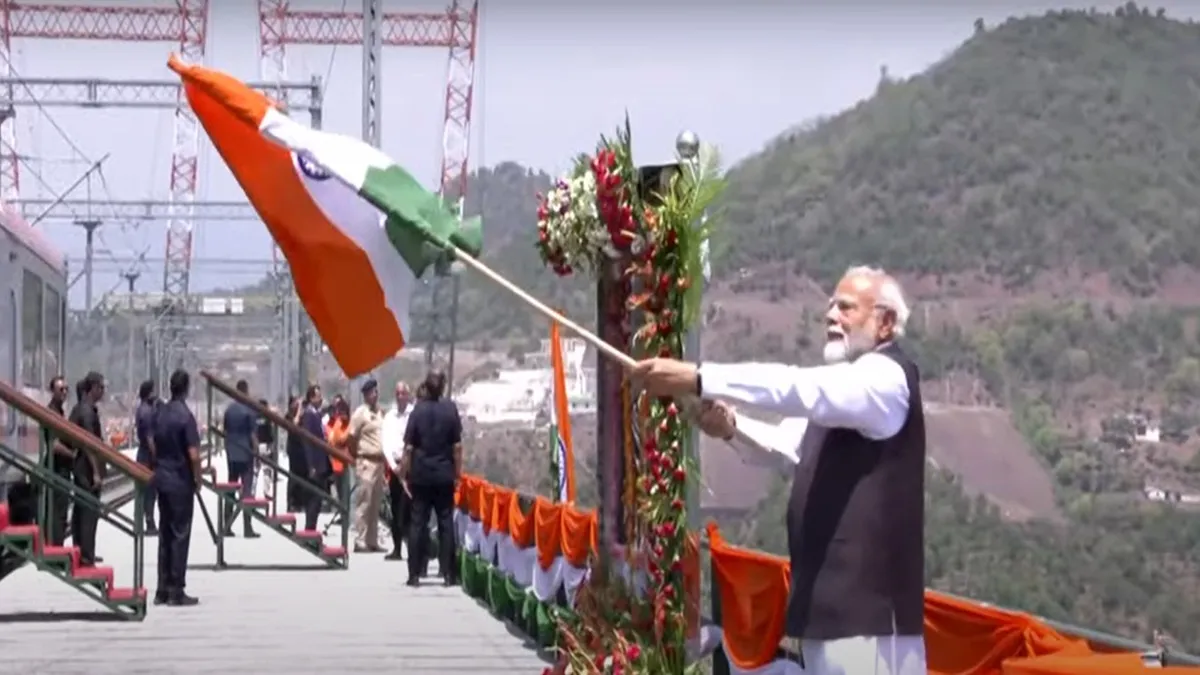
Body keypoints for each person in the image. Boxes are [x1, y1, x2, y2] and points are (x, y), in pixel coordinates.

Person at [631, 265, 927, 675]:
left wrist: (699, 377)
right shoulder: (843, 393)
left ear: (885, 322)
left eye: (845, 307)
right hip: (830, 618)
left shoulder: (884, 378)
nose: (830, 317)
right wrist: (731, 428)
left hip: (870, 627)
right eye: (829, 308)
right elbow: (785, 448)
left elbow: (798, 388)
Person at [401, 370, 462, 586]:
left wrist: (403, 475)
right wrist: (458, 474)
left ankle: (414, 574)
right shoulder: (450, 409)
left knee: (418, 524)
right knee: (446, 524)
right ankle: (448, 574)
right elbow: (456, 447)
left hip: (421, 475)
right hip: (444, 474)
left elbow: (408, 448)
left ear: (426, 387)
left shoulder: (418, 411)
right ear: (443, 387)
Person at [151, 369, 202, 607]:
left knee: (165, 534)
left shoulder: (160, 413)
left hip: (162, 479)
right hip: (180, 482)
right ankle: (176, 590)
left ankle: (161, 589)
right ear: (187, 388)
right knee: (180, 535)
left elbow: (152, 442)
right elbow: (193, 454)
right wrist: (198, 480)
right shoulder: (185, 416)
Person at [68, 371, 107, 566]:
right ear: (92, 388)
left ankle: (82, 549)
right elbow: (89, 444)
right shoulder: (86, 411)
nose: (103, 391)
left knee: (82, 510)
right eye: (101, 387)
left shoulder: (81, 409)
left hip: (82, 467)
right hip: (86, 469)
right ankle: (86, 555)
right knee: (89, 511)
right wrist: (97, 473)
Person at [347, 378, 387, 553]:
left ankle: (372, 540)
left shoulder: (380, 413)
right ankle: (360, 539)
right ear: (365, 395)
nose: (375, 395)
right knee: (364, 501)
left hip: (379, 462)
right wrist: (356, 454)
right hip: (366, 461)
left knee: (375, 503)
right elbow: (351, 437)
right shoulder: (360, 414)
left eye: (376, 392)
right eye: (372, 392)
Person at [221, 380, 260, 539]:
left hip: (232, 453)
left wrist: (226, 449)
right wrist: (257, 455)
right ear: (246, 391)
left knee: (231, 489)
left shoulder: (229, 410)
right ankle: (247, 526)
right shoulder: (249, 411)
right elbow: (253, 435)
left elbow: (224, 432)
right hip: (246, 453)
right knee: (247, 490)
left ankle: (227, 525)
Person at [382, 382, 414, 561]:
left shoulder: (413, 414)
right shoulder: (389, 417)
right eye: (397, 393)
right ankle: (396, 548)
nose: (400, 396)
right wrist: (394, 468)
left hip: (410, 467)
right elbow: (386, 443)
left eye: (403, 393)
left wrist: (406, 465)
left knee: (409, 508)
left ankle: (413, 549)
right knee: (395, 508)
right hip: (394, 468)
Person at [41, 375, 73, 545]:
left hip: (62, 467)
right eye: (61, 389)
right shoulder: (51, 412)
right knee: (56, 508)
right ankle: (54, 544)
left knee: (61, 509)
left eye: (66, 389)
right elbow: (54, 445)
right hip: (56, 467)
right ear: (52, 391)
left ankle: (56, 542)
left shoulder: (60, 411)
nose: (65, 392)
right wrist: (73, 455)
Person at [299, 384, 331, 532]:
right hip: (315, 464)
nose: (321, 398)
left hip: (321, 462)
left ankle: (312, 527)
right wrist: (311, 465)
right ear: (311, 398)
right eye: (318, 396)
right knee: (314, 498)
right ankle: (309, 528)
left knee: (318, 499)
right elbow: (308, 441)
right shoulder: (308, 415)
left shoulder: (317, 414)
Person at [134, 380, 159, 536]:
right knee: (149, 491)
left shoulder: (141, 409)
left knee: (143, 491)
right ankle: (149, 522)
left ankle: (143, 521)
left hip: (142, 454)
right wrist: (156, 455)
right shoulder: (147, 412)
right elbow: (150, 438)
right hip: (147, 456)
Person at [324, 398, 351, 506]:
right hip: (336, 463)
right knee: (340, 492)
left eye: (344, 412)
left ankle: (347, 517)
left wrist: (339, 441)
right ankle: (342, 514)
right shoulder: (337, 423)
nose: (342, 414)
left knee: (347, 492)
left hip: (347, 464)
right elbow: (332, 440)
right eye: (340, 412)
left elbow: (345, 438)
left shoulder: (351, 424)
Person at [284, 395, 305, 513]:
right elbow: (294, 425)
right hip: (293, 448)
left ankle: (299, 502)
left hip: (301, 449)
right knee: (293, 476)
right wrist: (298, 410)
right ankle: (291, 502)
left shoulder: (301, 415)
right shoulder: (289, 415)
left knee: (302, 475)